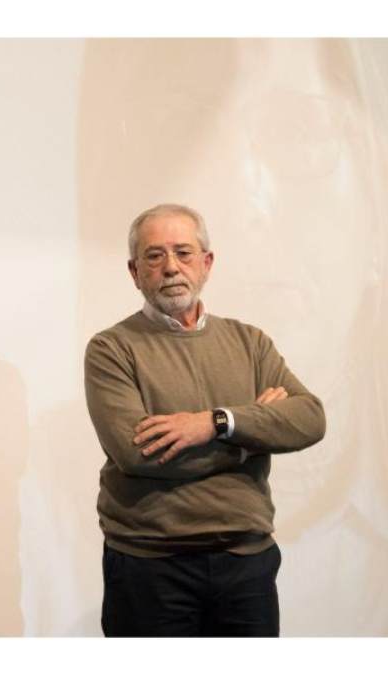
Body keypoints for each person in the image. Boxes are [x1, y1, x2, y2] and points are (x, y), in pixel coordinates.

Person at [84, 203, 325, 637]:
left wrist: (216, 423)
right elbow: (138, 453)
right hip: (149, 567)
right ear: (134, 271)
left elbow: (309, 419)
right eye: (154, 256)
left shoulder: (250, 342)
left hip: (246, 561)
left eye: (183, 252)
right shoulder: (112, 349)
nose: (170, 267)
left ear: (206, 263)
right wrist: (253, 438)